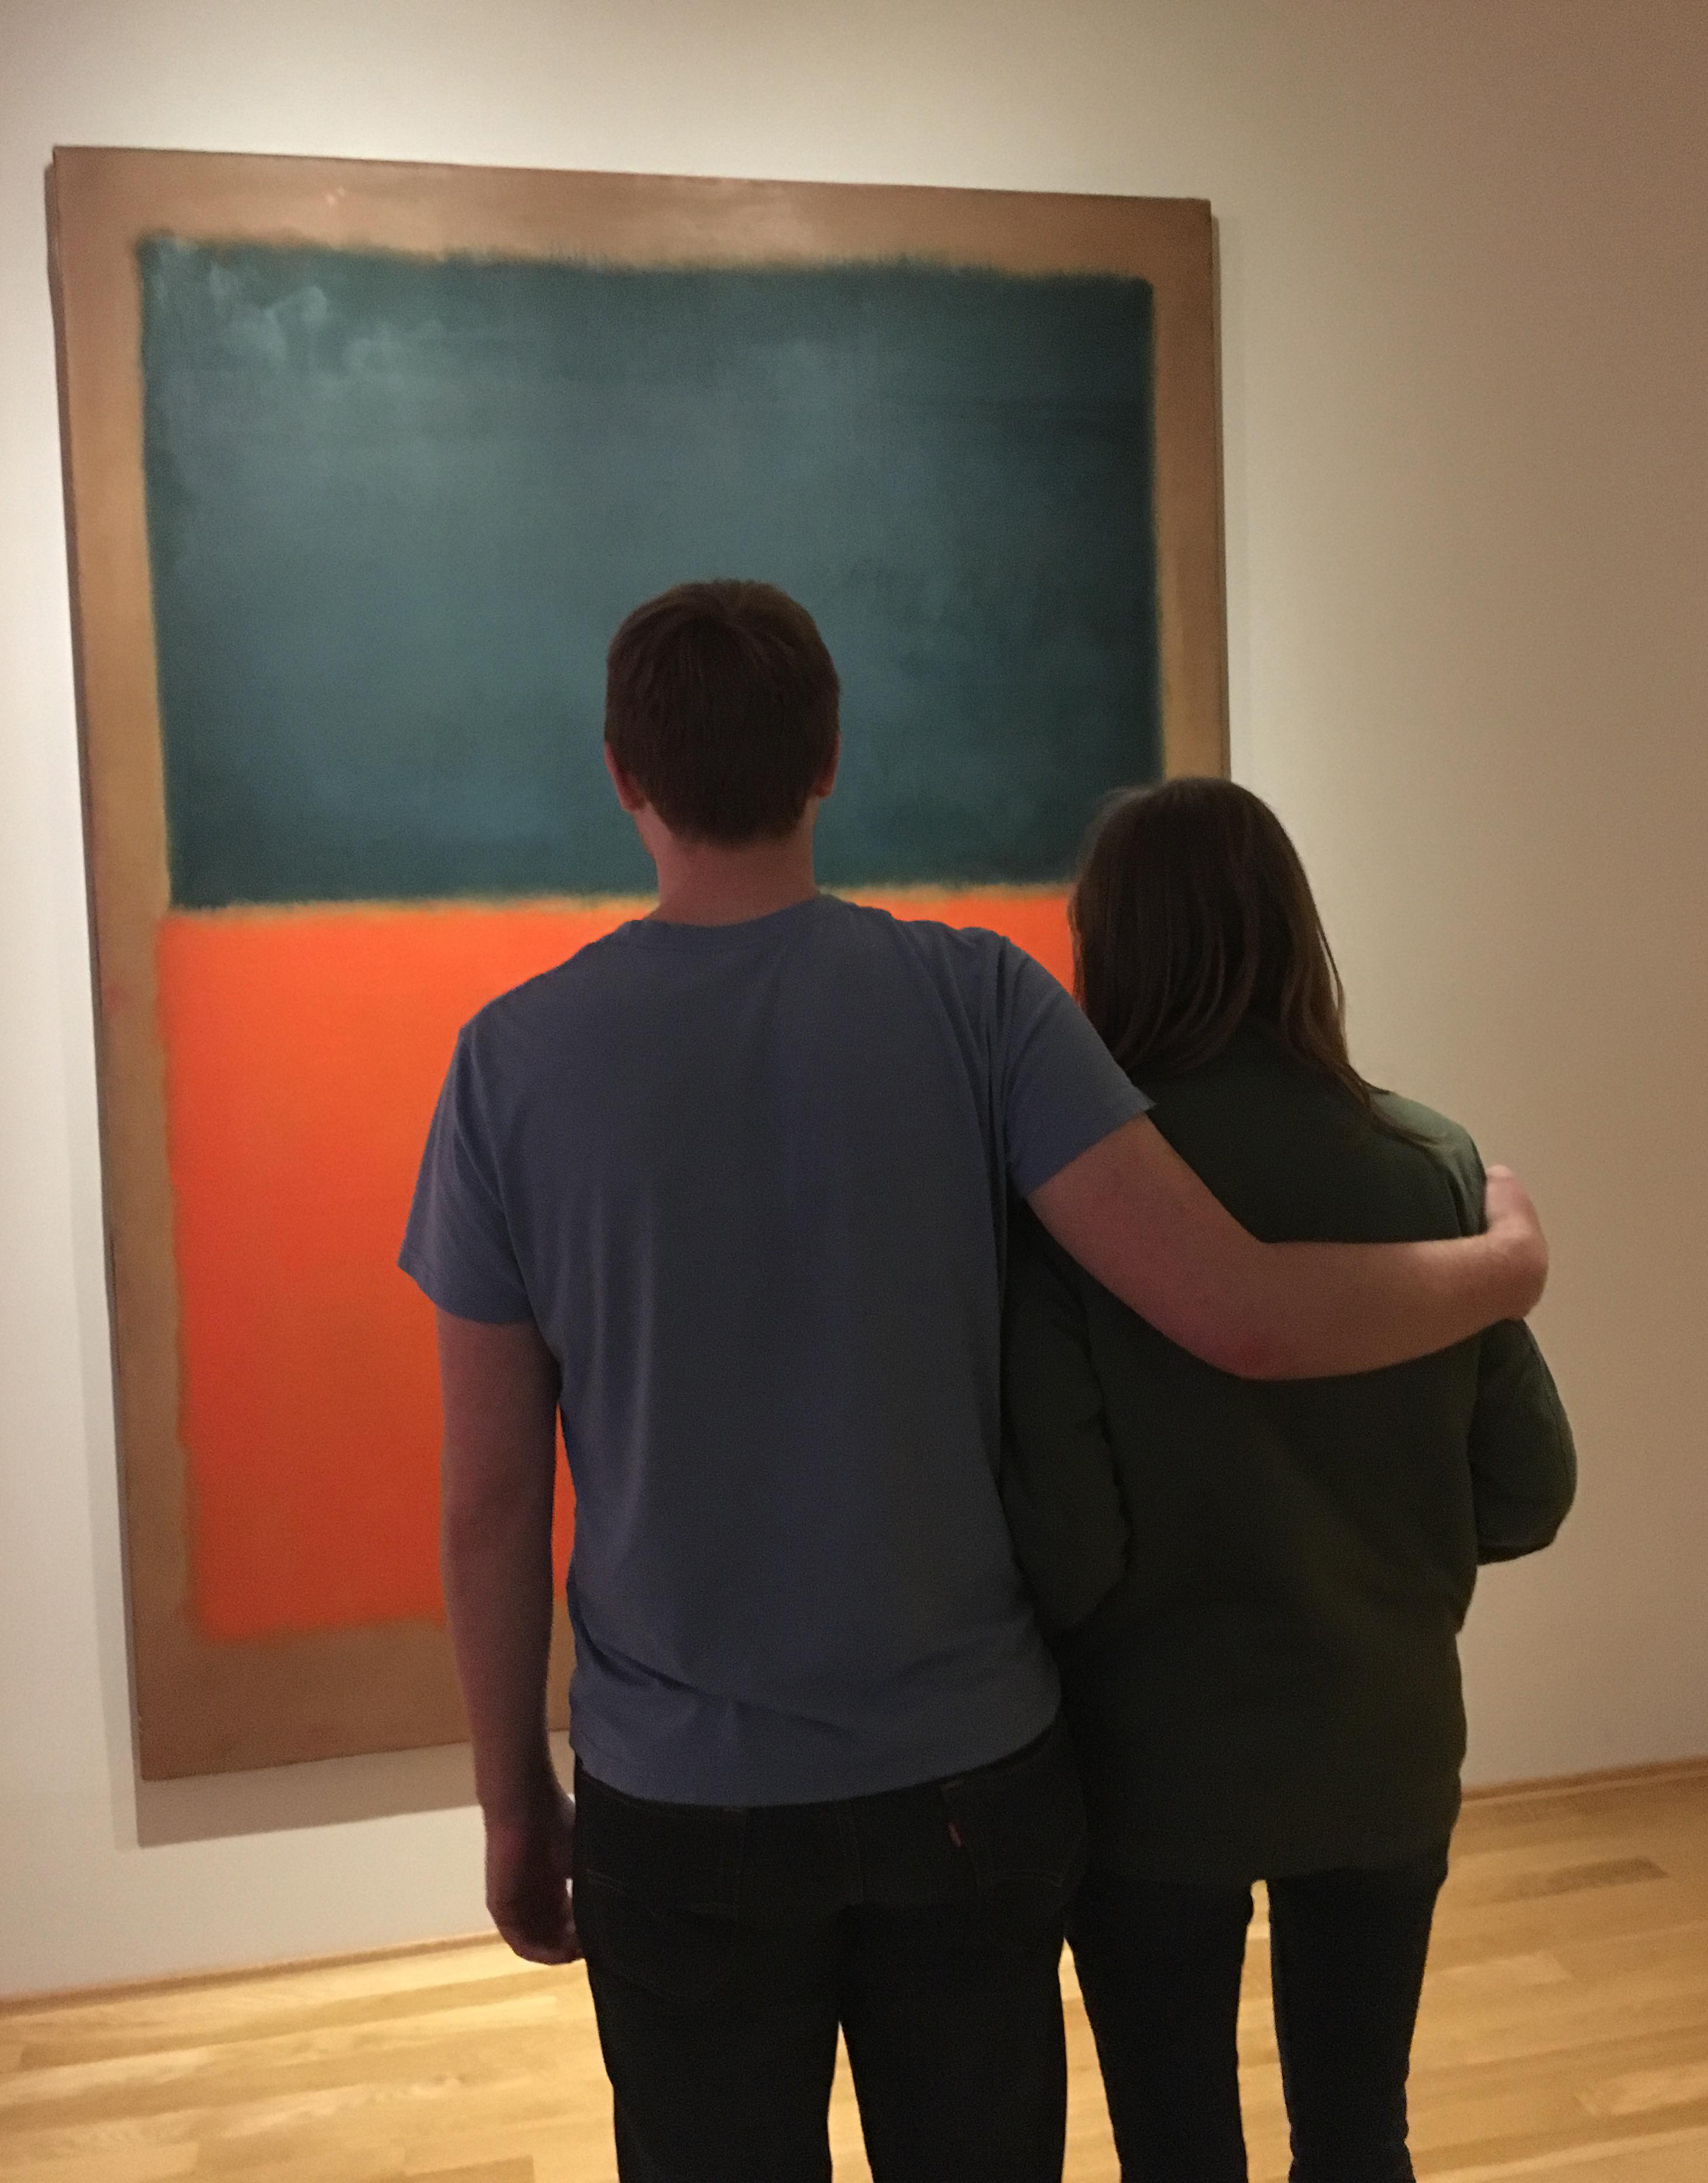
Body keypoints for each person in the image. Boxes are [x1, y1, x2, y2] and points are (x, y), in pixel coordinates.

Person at [399, 582, 1548, 2183]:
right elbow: (1243, 1314)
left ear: (621, 776)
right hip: (967, 1781)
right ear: (829, 760)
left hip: (682, 1797)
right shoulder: (981, 1002)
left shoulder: (507, 1063)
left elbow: (487, 1499)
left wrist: (515, 1804)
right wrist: (1505, 1266)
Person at [1000, 776, 1576, 2183]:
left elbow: (1064, 1543)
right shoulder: (1434, 1168)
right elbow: (1526, 1489)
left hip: (1151, 1778)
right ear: (1290, 933)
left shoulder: (1078, 1201)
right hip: (1380, 1748)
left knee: (1177, 2144)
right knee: (1358, 2132)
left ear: (1109, 945)